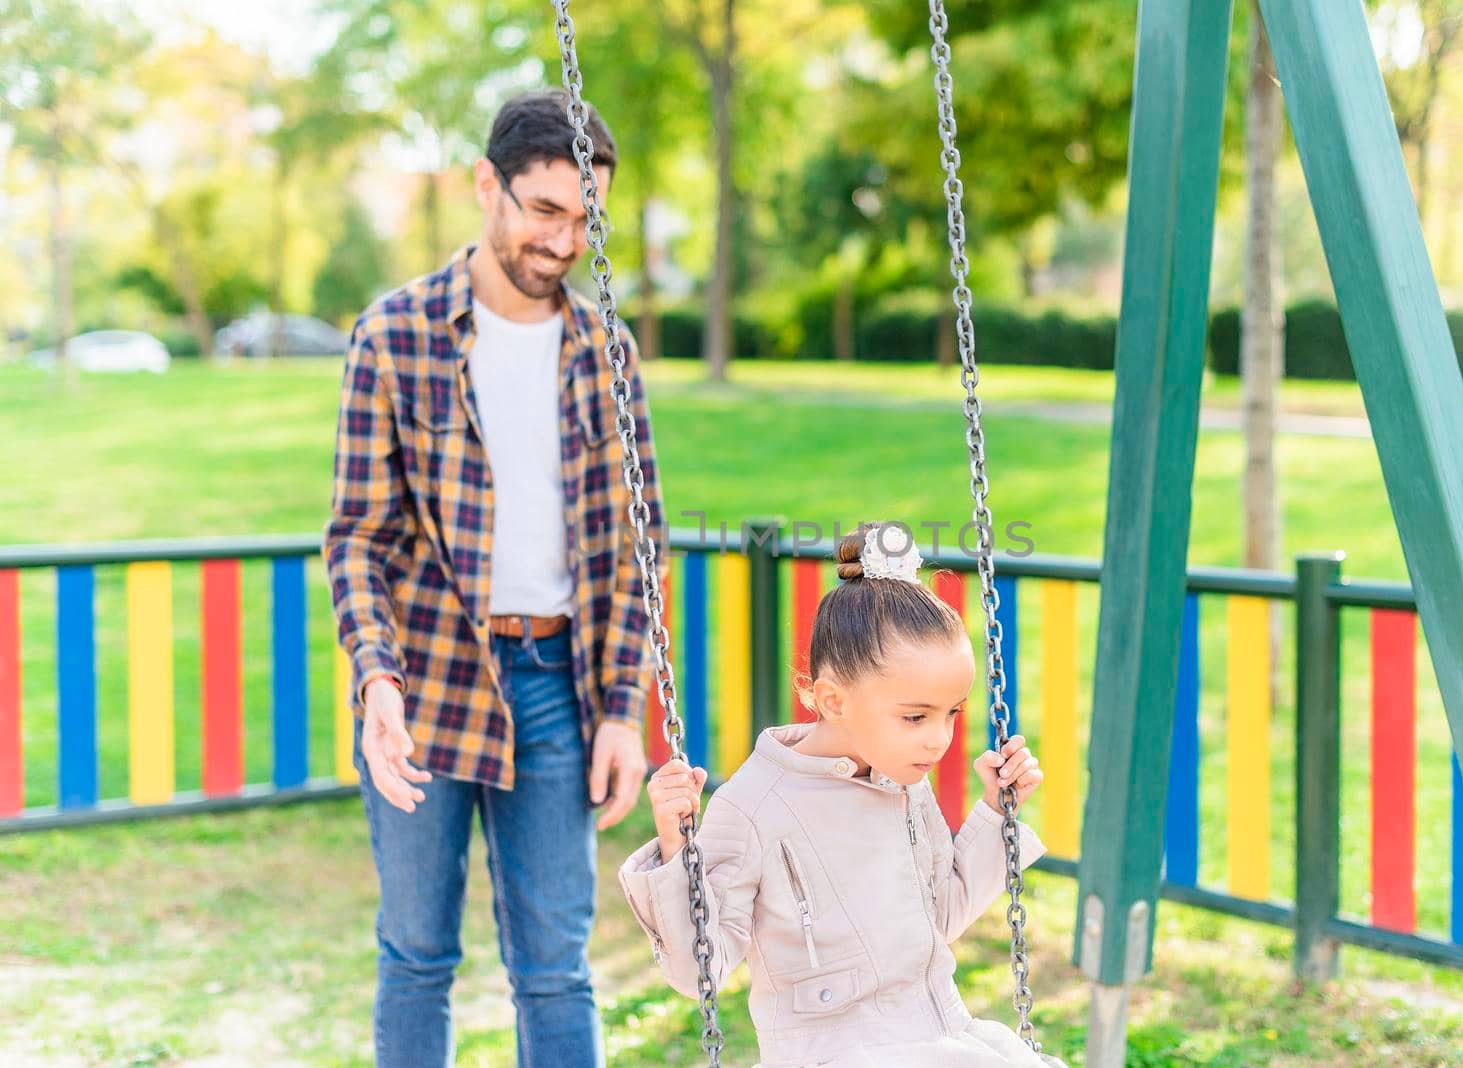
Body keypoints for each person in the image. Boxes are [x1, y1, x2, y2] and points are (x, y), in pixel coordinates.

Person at [323, 88, 661, 1068]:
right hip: (424, 680)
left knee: (555, 964)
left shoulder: (606, 353)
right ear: (487, 185)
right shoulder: (394, 336)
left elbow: (637, 547)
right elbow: (356, 534)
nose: (563, 241)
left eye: (584, 220)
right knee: (418, 954)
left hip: (557, 687)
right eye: (544, 211)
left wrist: (622, 710)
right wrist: (375, 680)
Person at [619, 523, 1064, 1067]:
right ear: (832, 700)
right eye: (915, 716)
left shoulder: (905, 784)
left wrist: (997, 812)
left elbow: (938, 918)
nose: (939, 738)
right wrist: (673, 849)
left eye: (952, 713)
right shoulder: (754, 806)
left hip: (941, 1034)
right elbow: (699, 972)